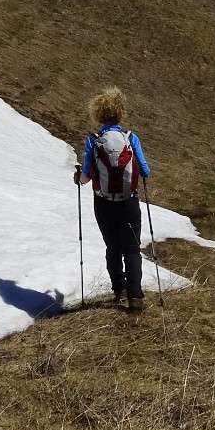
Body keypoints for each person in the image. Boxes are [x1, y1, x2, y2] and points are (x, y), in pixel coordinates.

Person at [73, 87, 150, 313]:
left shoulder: (93, 141)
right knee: (132, 248)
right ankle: (136, 296)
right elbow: (145, 171)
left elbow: (85, 178)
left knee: (113, 247)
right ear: (120, 113)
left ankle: (120, 290)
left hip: (104, 203)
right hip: (129, 201)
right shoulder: (131, 138)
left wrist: (78, 177)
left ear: (98, 115)